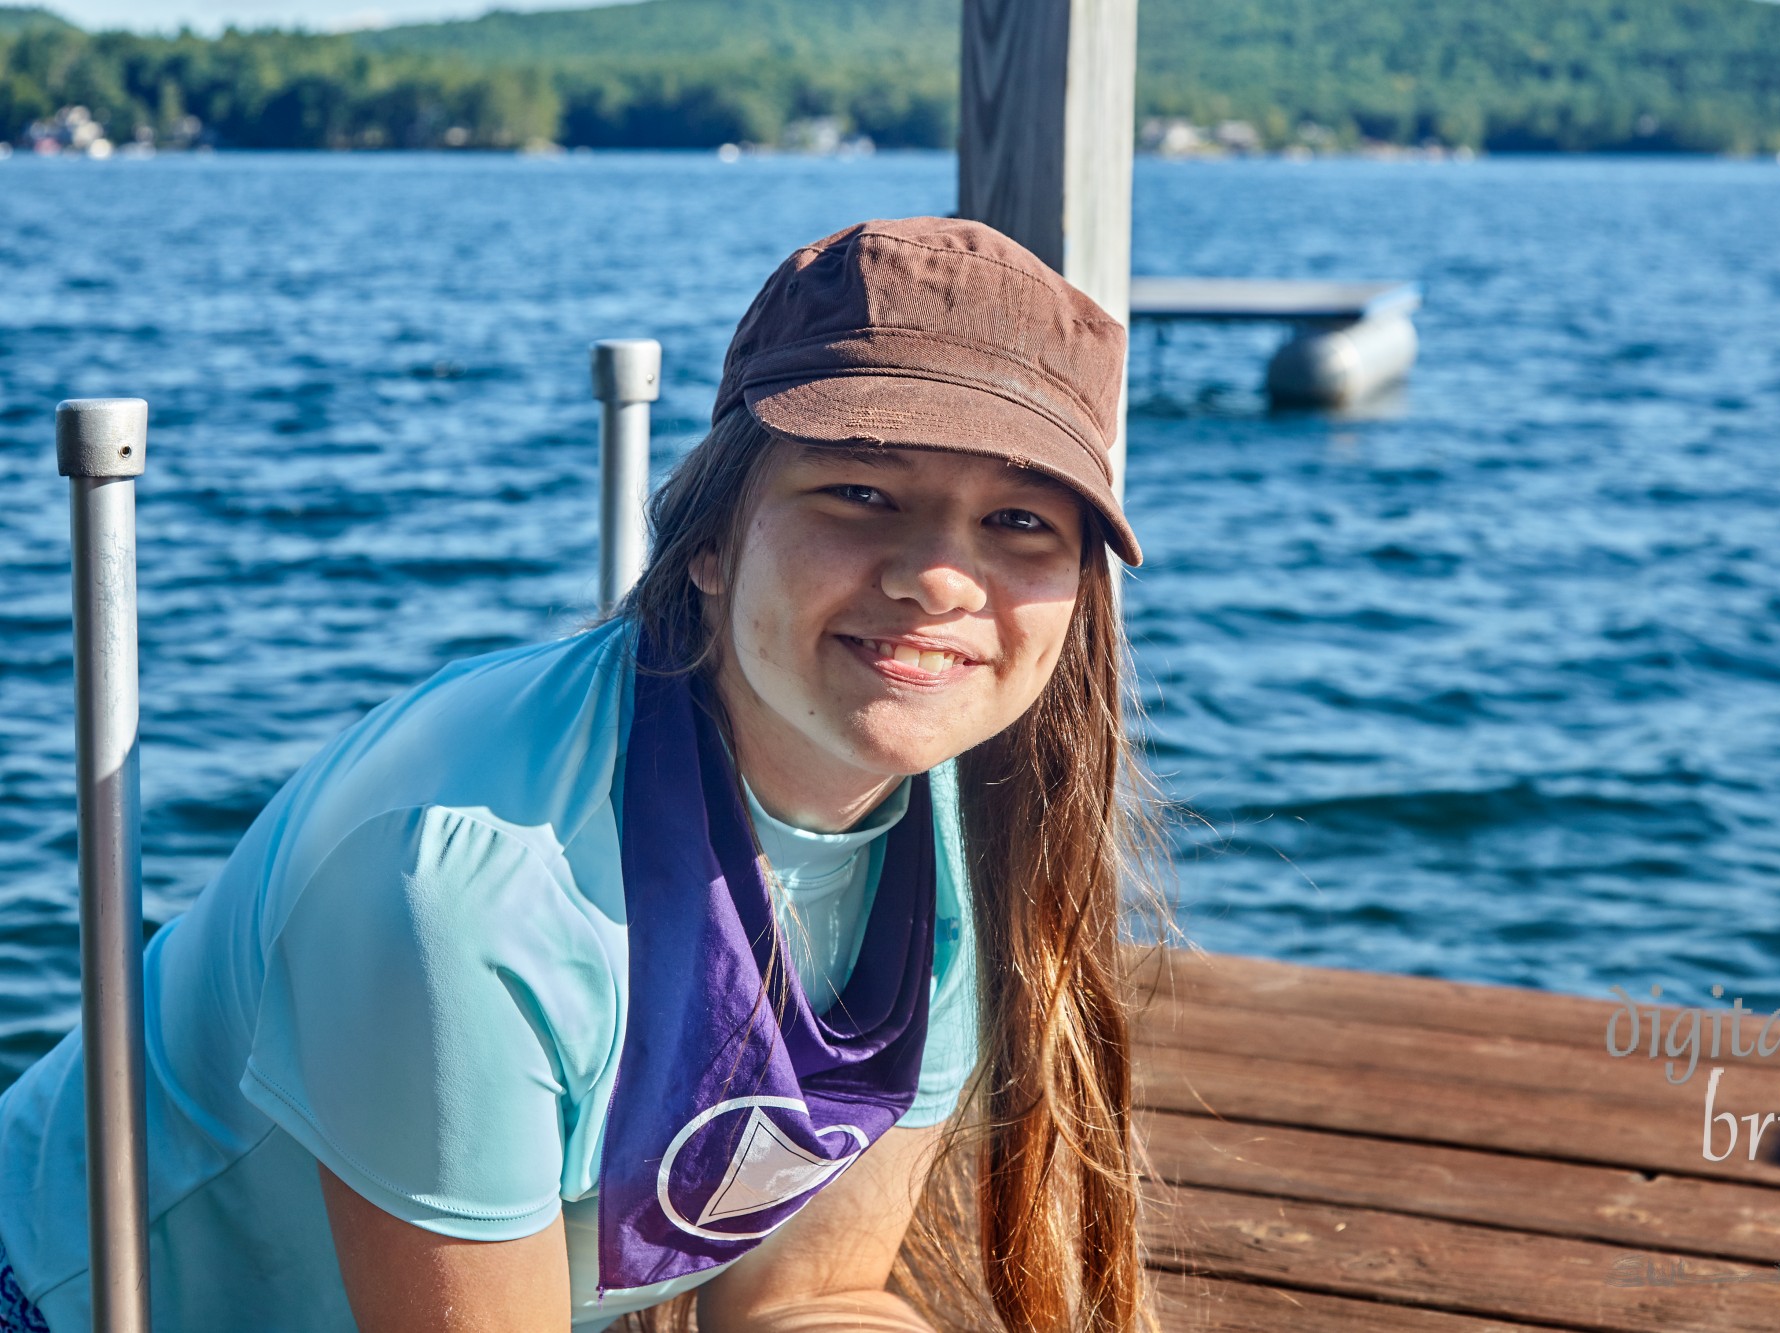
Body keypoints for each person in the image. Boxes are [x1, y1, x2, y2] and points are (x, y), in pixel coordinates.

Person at [0, 216, 1158, 1333]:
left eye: (1018, 520)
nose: (940, 579)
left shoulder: (945, 817)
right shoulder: (470, 882)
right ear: (709, 541)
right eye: (860, 492)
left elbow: (806, 1295)